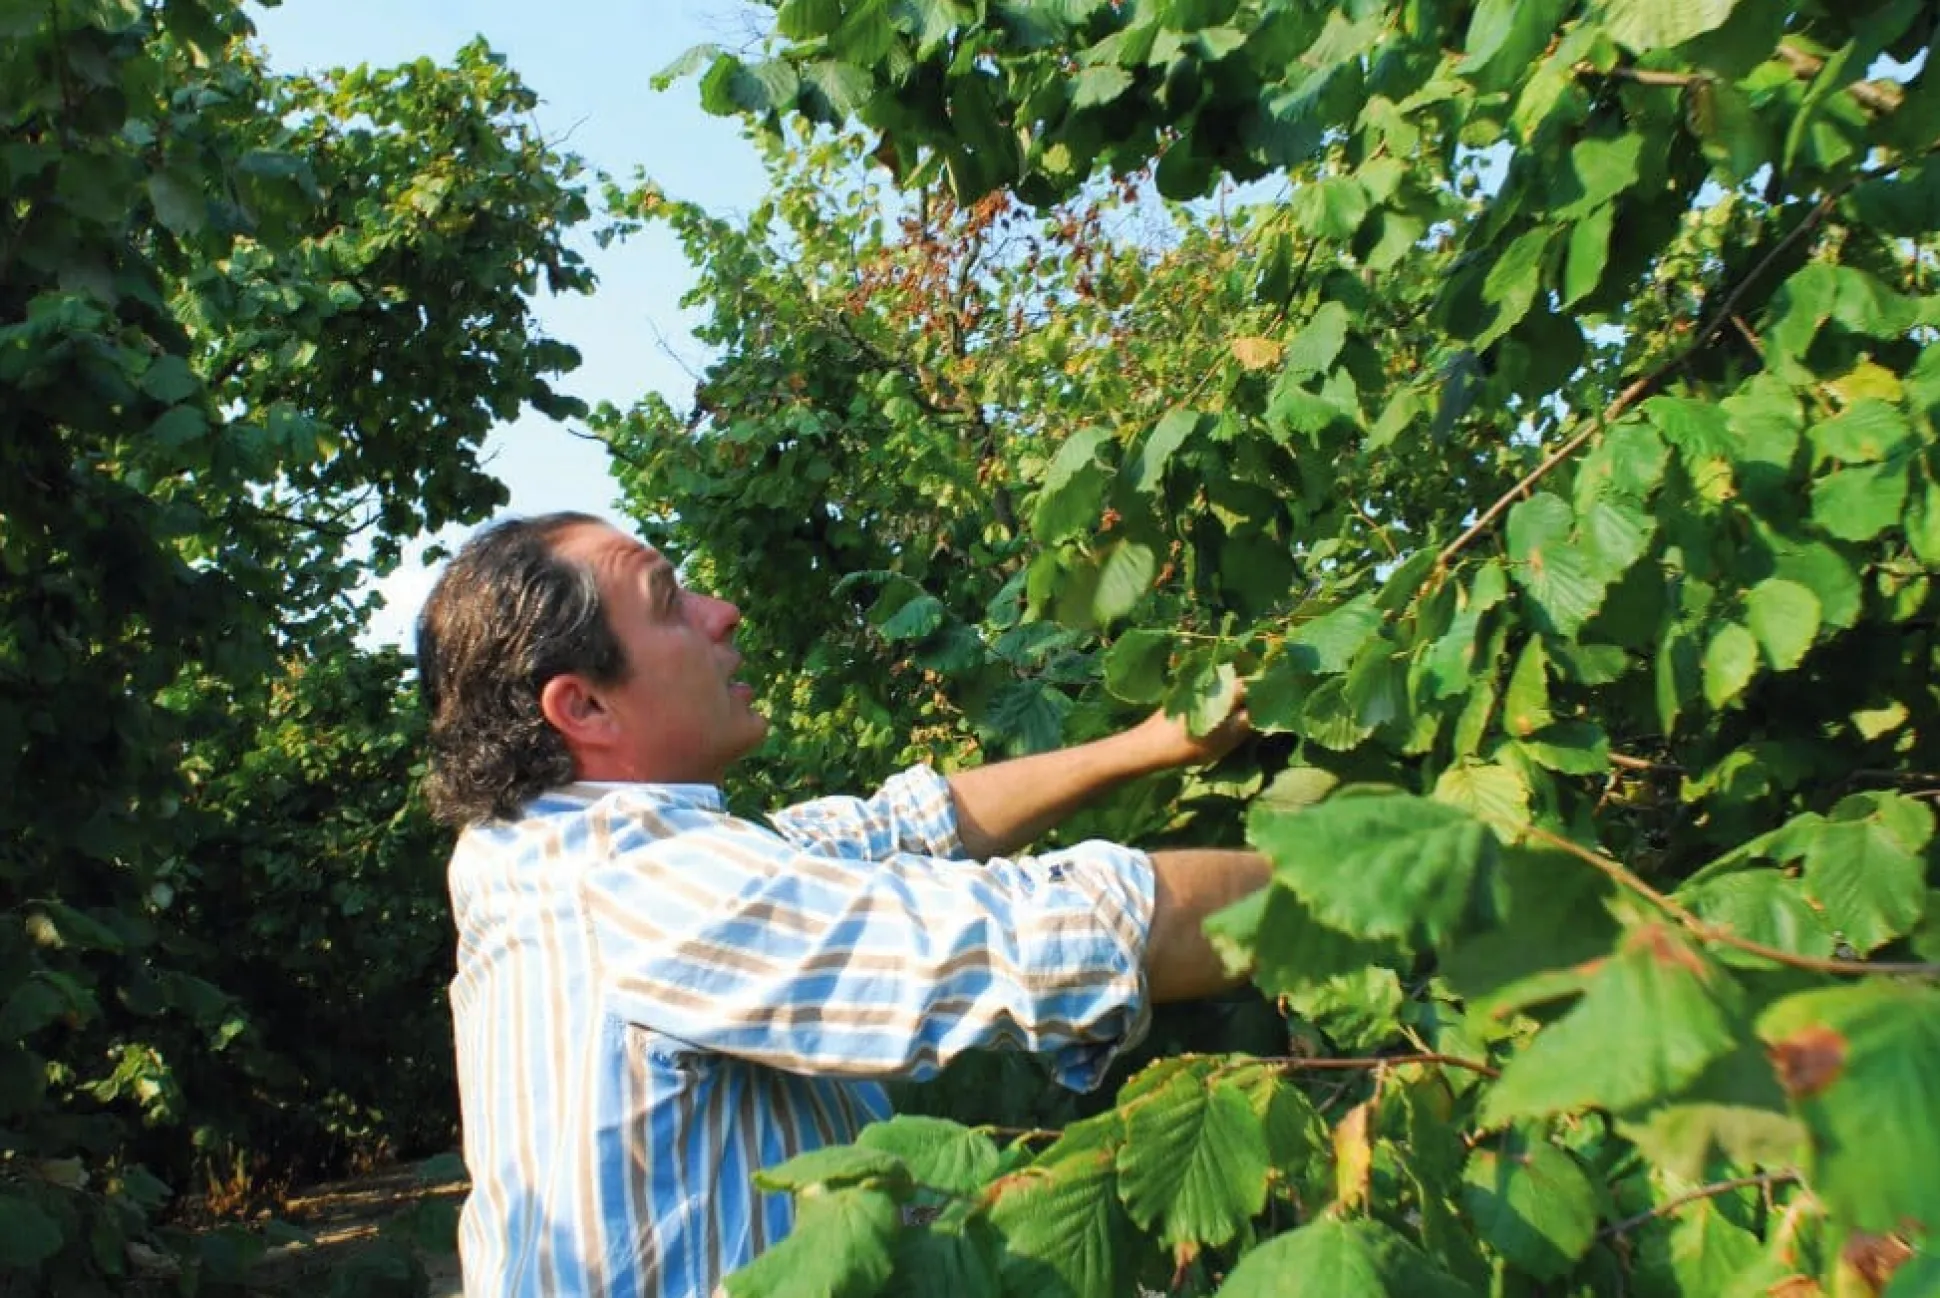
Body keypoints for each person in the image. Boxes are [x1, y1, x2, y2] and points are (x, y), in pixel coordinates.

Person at [415, 511, 1271, 1298]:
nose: (723, 612)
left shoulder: (555, 856)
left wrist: (1148, 745)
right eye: (669, 601)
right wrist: (1340, 880)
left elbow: (898, 828)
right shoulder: (633, 891)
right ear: (585, 705)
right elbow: (1061, 940)